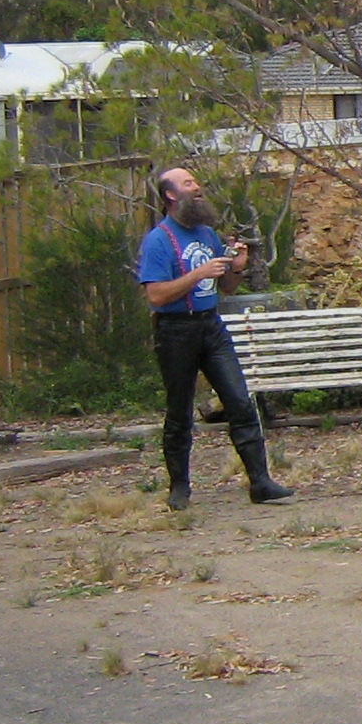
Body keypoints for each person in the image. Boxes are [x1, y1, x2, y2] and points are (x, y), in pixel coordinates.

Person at [137, 167, 295, 512]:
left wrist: (237, 266)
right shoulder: (159, 240)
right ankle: (179, 486)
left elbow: (226, 288)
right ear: (171, 195)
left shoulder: (207, 234)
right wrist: (198, 273)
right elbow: (156, 295)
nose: (198, 187)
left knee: (240, 401)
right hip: (175, 330)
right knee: (180, 410)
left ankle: (260, 482)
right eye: (189, 183)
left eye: (196, 181)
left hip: (211, 326)